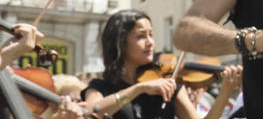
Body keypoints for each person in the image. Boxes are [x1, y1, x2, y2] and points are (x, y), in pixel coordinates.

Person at [82, 9, 242, 119]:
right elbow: (92, 112)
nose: (150, 42)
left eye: (151, 35)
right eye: (141, 36)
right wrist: (139, 89)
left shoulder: (169, 84)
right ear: (121, 43)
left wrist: (224, 93)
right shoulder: (101, 87)